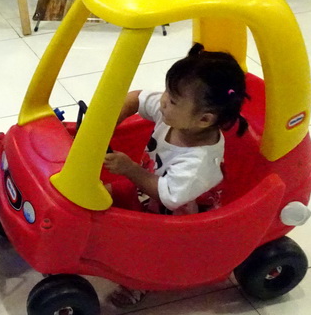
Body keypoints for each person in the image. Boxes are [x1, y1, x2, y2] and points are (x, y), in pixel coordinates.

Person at [104, 42, 249, 218]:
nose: (163, 100)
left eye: (173, 100)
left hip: (172, 216)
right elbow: (137, 98)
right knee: (93, 195)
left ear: (204, 119)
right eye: (167, 90)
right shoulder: (177, 116)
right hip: (143, 187)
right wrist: (107, 123)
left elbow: (169, 198)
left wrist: (130, 169)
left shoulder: (197, 163)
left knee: (107, 222)